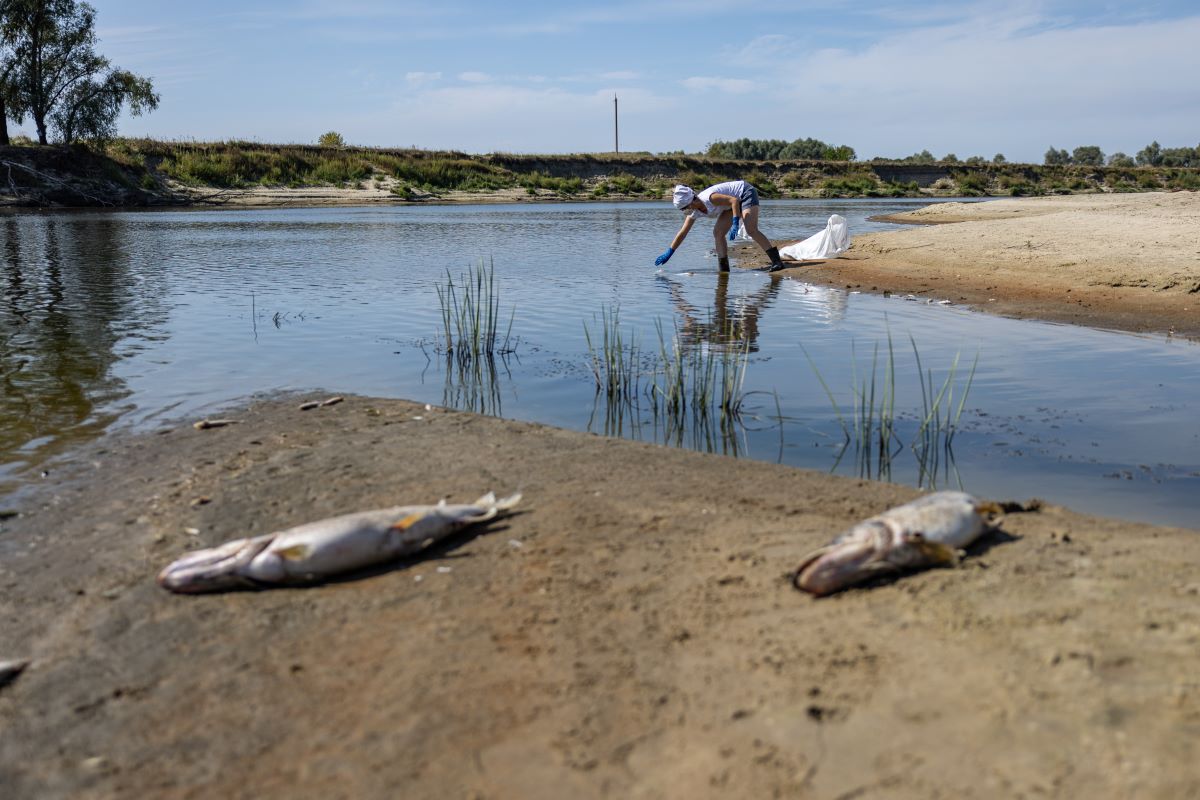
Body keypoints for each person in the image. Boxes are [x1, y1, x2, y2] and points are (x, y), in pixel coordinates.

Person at [654, 180, 786, 273]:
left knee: (751, 229)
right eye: (683, 209)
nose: (685, 211)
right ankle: (724, 269)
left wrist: (735, 222)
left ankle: (777, 262)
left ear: (692, 200)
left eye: (685, 207)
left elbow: (734, 200)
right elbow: (683, 232)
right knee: (718, 233)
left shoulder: (709, 199)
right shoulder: (694, 212)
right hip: (731, 204)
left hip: (744, 193)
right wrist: (670, 252)